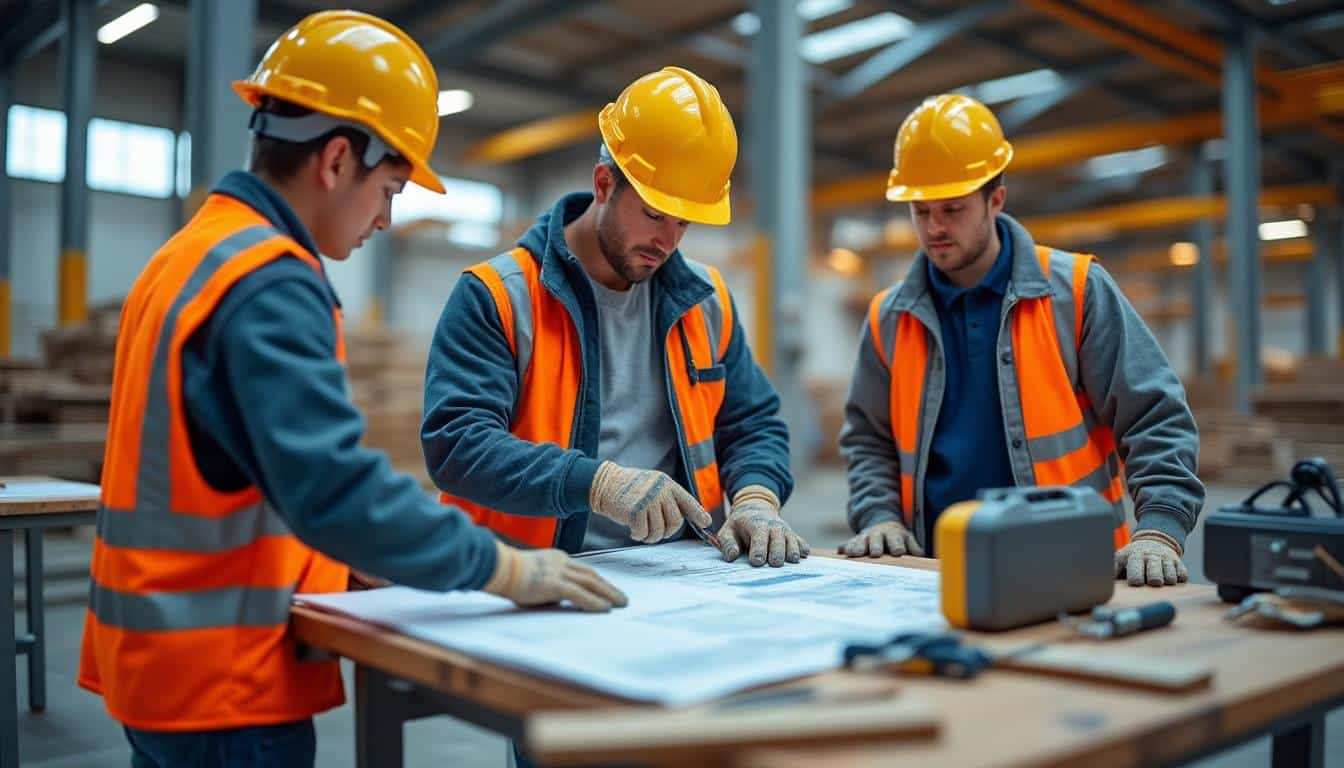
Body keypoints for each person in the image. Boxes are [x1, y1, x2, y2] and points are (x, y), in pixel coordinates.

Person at [78, 12, 624, 767]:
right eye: (391, 187)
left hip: (162, 663)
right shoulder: (267, 282)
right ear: (337, 159)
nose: (386, 218)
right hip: (225, 683)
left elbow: (234, 468)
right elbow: (333, 488)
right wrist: (505, 568)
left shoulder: (194, 253)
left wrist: (347, 562)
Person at [422, 67, 808, 568]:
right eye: (653, 214)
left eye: (683, 222)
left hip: (681, 572)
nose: (667, 242)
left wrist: (757, 498)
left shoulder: (706, 302)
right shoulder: (498, 295)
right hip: (526, 576)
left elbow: (752, 422)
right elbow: (459, 446)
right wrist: (597, 483)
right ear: (604, 183)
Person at [838, 93, 1204, 587]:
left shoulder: (1074, 291)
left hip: (1073, 564)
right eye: (920, 211)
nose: (935, 227)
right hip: (935, 573)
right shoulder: (889, 316)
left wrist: (1160, 530)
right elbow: (869, 440)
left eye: (952, 208)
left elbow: (1154, 414)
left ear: (996, 200)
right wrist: (879, 515)